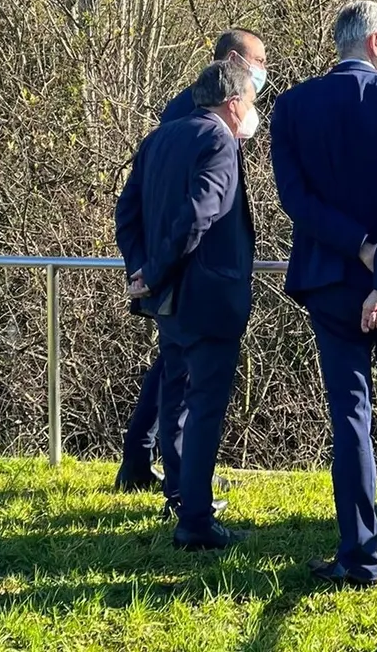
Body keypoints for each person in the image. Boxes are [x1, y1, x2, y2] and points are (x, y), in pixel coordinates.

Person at [270, 0, 377, 586]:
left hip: (331, 277)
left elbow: (296, 200)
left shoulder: (291, 107)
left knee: (350, 415)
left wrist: (361, 249)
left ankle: (358, 553)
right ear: (374, 44)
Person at [113, 28, 267, 506]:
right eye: (251, 98)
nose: (254, 108)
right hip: (206, 294)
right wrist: (155, 270)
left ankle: (179, 494)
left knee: (175, 395)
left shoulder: (158, 138)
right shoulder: (219, 141)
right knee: (203, 406)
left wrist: (141, 270)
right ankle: (196, 513)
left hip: (167, 298)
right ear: (234, 103)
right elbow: (199, 215)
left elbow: (127, 212)